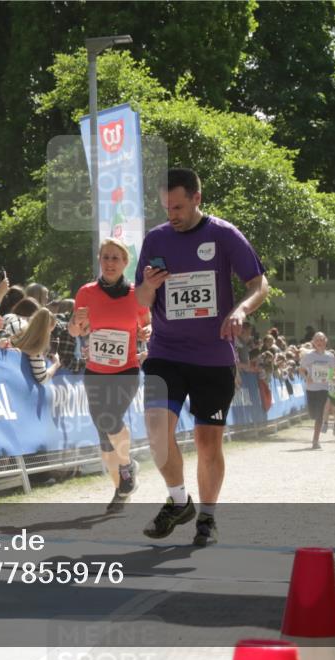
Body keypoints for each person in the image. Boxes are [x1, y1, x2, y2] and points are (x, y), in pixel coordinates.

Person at [135, 168, 269, 547]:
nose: (172, 215)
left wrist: (240, 310)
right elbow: (140, 298)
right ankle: (179, 501)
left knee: (208, 443)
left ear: (197, 198)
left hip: (213, 356)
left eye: (178, 207)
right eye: (166, 208)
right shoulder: (156, 239)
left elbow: (259, 284)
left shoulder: (224, 235)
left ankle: (207, 517)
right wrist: (149, 286)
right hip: (166, 352)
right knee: (157, 431)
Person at [69, 238, 150, 512]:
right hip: (95, 372)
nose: (110, 263)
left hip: (126, 370)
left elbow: (147, 325)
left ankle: (127, 467)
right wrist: (77, 323)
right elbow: (75, 330)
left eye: (116, 258)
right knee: (104, 436)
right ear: (100, 260)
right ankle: (121, 489)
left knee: (110, 418)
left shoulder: (137, 294)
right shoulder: (86, 292)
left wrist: (147, 332)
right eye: (106, 257)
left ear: (125, 262)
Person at [299, 332, 335, 449]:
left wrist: (334, 378)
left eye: (321, 340)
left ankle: (315, 441)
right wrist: (307, 377)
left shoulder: (330, 356)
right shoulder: (308, 356)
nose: (319, 342)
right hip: (311, 389)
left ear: (326, 341)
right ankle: (319, 425)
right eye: (317, 340)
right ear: (313, 342)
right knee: (313, 415)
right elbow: (301, 370)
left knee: (319, 415)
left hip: (324, 388)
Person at [11, 307, 61, 383]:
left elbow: (7, 317)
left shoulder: (16, 325)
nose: (50, 335)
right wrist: (56, 364)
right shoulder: (35, 350)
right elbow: (42, 378)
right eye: (50, 332)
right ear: (45, 332)